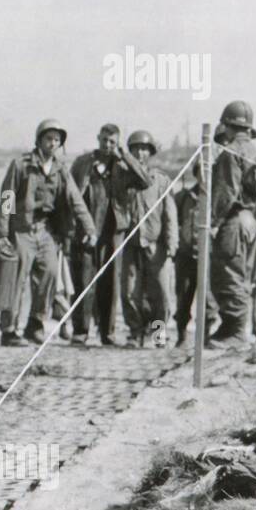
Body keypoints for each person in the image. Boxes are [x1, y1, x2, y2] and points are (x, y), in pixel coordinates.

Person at [0, 118, 95, 346]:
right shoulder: (21, 165)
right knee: (16, 280)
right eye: (49, 138)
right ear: (39, 140)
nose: (52, 143)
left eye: (57, 140)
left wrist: (90, 228)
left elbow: (75, 200)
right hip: (21, 230)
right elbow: (7, 199)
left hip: (47, 231)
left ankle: (35, 324)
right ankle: (9, 330)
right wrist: (2, 234)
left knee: (48, 276)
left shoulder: (61, 170)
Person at [208, 100, 256, 345]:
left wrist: (214, 222)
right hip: (250, 220)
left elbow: (225, 192)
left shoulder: (231, 151)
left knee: (228, 275)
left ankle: (236, 332)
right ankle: (230, 328)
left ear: (226, 124)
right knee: (239, 275)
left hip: (234, 220)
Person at [68, 124, 150, 346]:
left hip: (113, 232)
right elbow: (70, 194)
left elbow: (145, 181)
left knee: (110, 284)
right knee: (84, 282)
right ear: (98, 138)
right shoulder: (83, 163)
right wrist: (72, 228)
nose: (107, 145)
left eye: (112, 142)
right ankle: (80, 331)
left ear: (118, 143)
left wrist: (124, 155)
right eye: (104, 140)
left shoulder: (123, 166)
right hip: (86, 231)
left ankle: (107, 333)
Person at [118, 130, 178, 347]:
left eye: (144, 149)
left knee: (160, 292)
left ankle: (158, 333)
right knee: (130, 291)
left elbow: (170, 213)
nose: (140, 153)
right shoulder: (123, 178)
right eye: (135, 149)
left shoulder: (161, 180)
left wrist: (172, 243)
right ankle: (135, 332)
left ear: (150, 152)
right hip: (131, 244)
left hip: (156, 244)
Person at [173, 160, 215, 348]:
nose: (204, 177)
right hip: (185, 256)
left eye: (208, 172)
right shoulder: (183, 196)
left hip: (208, 257)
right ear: (196, 174)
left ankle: (205, 338)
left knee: (208, 300)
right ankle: (181, 337)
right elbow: (173, 223)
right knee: (183, 298)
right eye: (201, 172)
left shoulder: (215, 199)